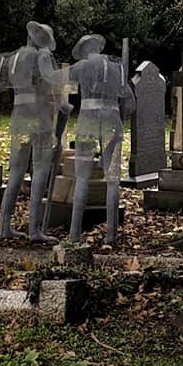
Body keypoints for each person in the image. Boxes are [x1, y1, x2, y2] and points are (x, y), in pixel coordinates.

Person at [0, 21, 63, 242]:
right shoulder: (42, 56)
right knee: (40, 170)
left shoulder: (11, 57)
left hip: (19, 117)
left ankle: (4, 226)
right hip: (39, 116)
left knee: (15, 172)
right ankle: (34, 229)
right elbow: (53, 81)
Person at [67, 34, 134, 245]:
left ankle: (74, 235)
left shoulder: (81, 67)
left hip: (87, 122)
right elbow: (130, 102)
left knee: (82, 179)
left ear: (85, 50)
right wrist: (118, 110)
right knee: (113, 179)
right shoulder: (117, 68)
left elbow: (54, 79)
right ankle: (111, 235)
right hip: (112, 122)